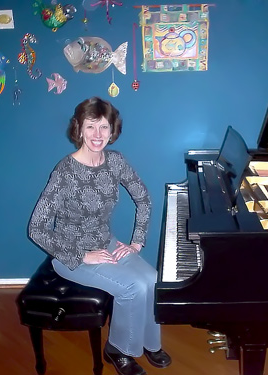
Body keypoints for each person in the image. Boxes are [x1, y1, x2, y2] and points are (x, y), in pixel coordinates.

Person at [28, 96, 171, 375]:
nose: (97, 135)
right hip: (72, 255)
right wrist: (82, 256)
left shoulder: (115, 162)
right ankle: (118, 349)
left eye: (103, 127)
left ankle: (149, 342)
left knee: (152, 280)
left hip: (108, 244)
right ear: (79, 129)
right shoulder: (65, 171)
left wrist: (137, 241)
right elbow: (36, 228)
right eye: (90, 127)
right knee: (132, 288)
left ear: (112, 130)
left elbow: (143, 199)